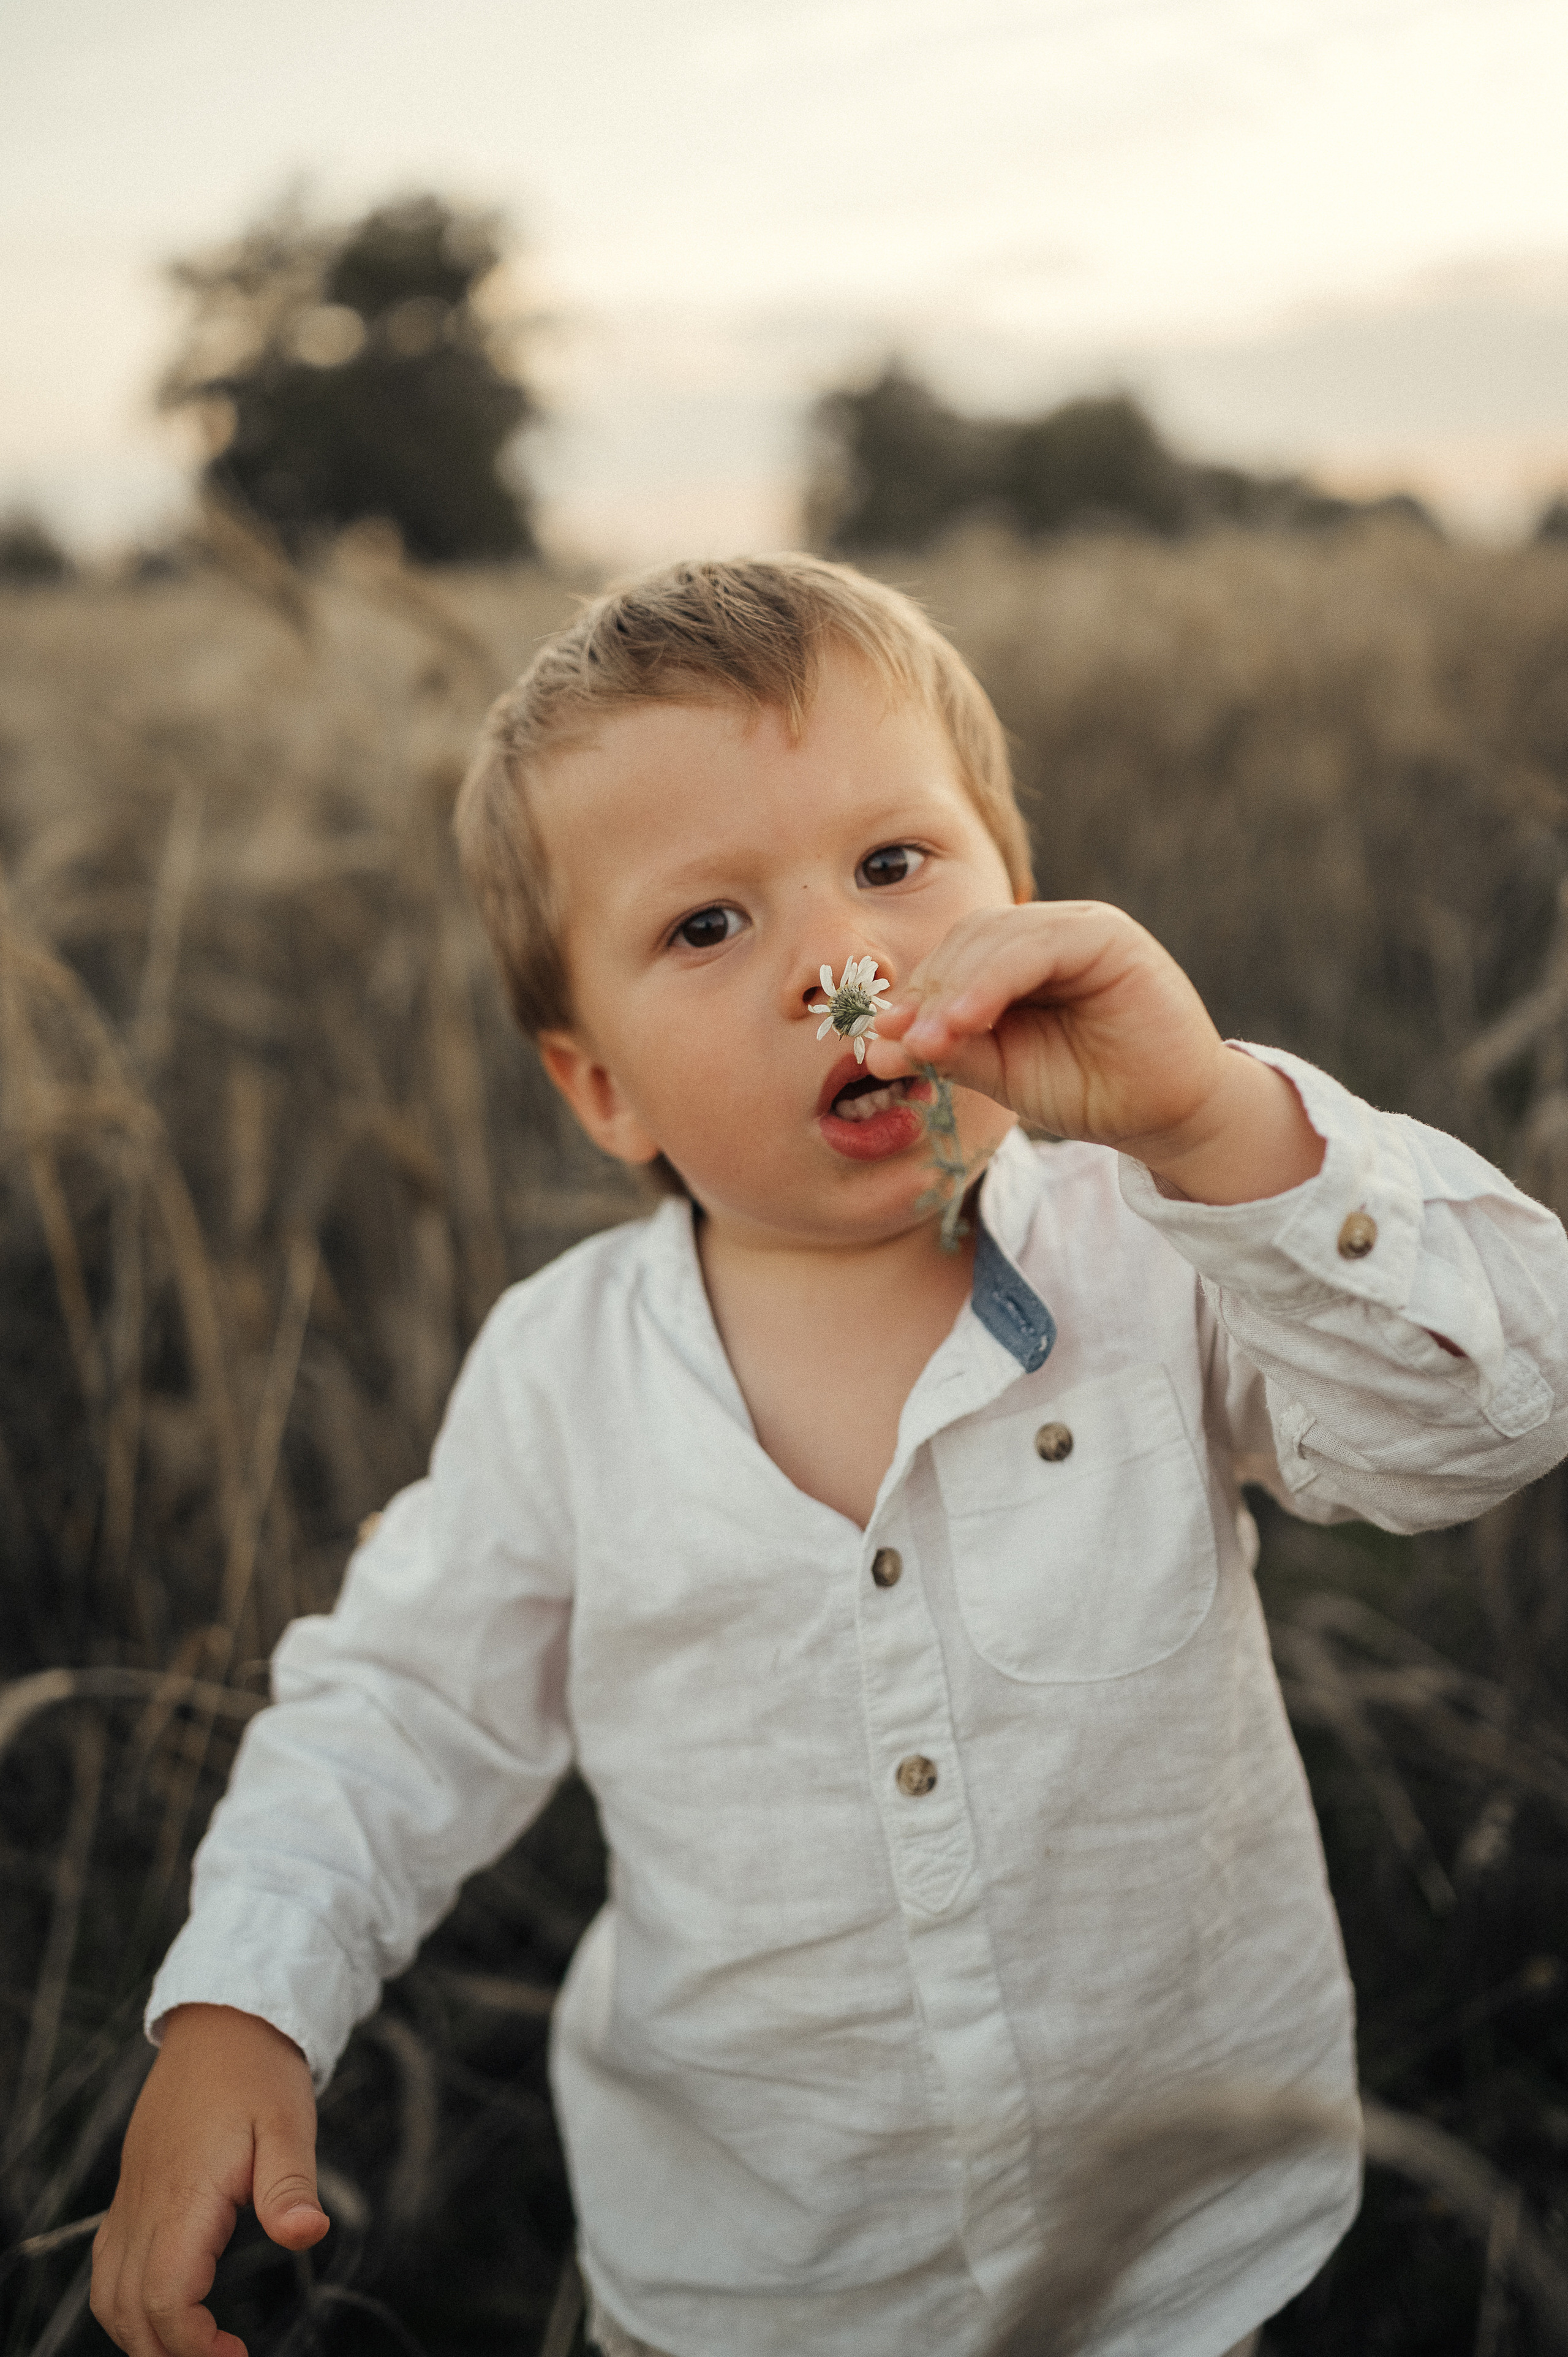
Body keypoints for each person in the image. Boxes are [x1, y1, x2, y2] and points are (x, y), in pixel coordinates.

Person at [91, 556, 1568, 2357]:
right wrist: (247, 2003)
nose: (840, 968)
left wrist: (1220, 1123)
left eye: (894, 866)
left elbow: (1490, 1418)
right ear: (600, 1089)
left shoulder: (1164, 1240)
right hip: (754, 2283)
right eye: (707, 927)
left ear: (1020, 903)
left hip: (1164, 2258)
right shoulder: (563, 1378)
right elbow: (398, 1708)